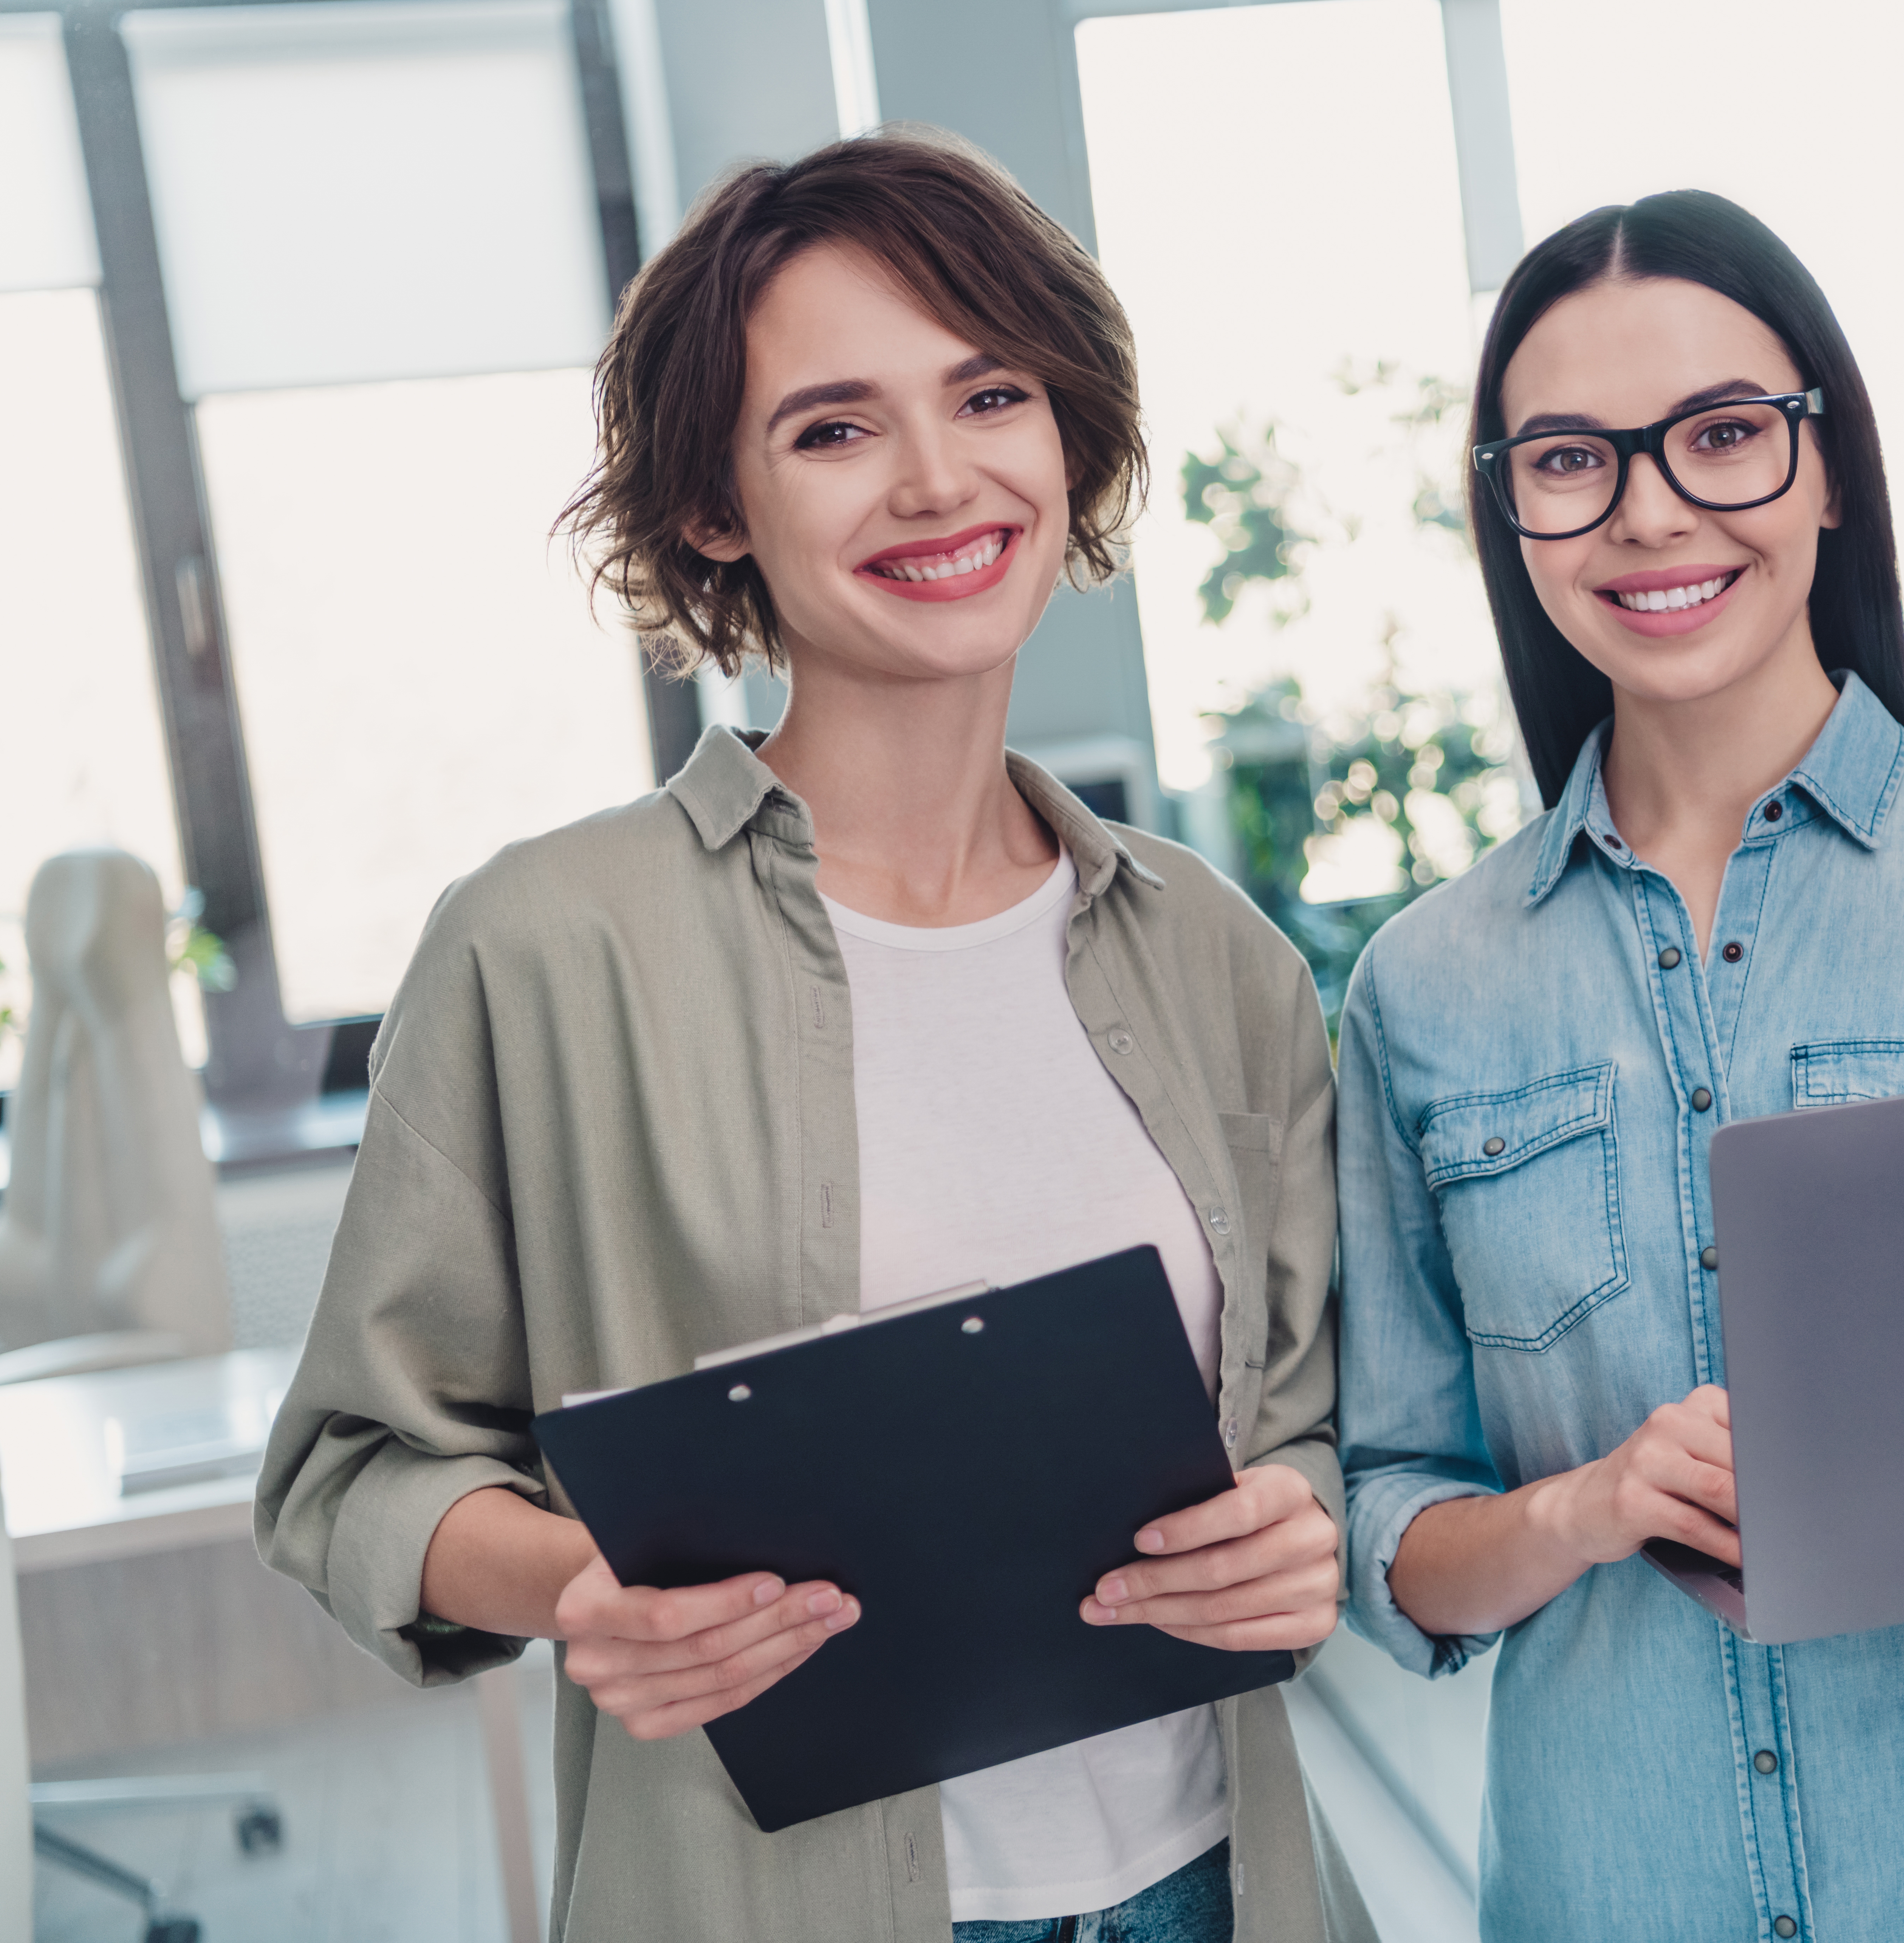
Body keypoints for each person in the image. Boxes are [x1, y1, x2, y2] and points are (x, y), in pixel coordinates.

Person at [257, 130, 1368, 1943]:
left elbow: (1308, 1428)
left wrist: (1296, 1528)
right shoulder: (545, 948)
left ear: (1065, 434)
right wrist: (581, 1584)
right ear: (716, 508)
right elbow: (354, 1475)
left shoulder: (1213, 954)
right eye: (835, 428)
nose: (939, 480)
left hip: (1212, 1884)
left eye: (991, 394)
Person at [1335, 190, 1904, 1939]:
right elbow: (1394, 1520)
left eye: (1723, 436)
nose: (1651, 509)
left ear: (1828, 466)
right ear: (1510, 513)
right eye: (1569, 460)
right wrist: (1592, 1505)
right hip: (1617, 1887)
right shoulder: (1421, 989)